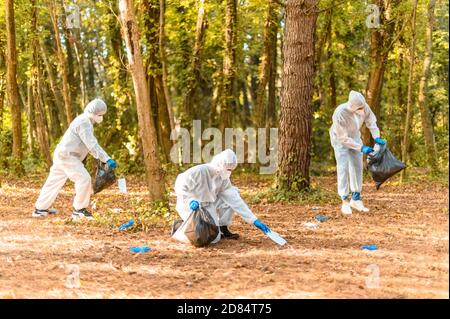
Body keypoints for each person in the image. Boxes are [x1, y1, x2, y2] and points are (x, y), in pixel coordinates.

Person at [32, 98, 117, 220]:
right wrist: (106, 159)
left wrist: (101, 157)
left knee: (54, 181)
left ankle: (40, 209)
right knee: (84, 178)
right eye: (100, 115)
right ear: (95, 113)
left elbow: (88, 145)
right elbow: (92, 144)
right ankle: (79, 210)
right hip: (68, 157)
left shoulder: (84, 121)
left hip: (62, 154)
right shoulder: (84, 123)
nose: (101, 117)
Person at [172, 149, 270, 241]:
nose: (229, 172)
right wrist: (190, 200)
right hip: (189, 206)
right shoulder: (200, 171)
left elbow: (234, 200)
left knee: (214, 238)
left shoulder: (223, 178)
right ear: (220, 164)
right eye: (228, 169)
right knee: (200, 237)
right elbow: (180, 184)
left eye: (231, 170)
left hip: (207, 205)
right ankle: (179, 227)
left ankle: (222, 228)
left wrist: (254, 220)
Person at [329, 90, 386, 215]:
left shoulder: (364, 106)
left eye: (363, 107)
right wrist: (361, 147)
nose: (362, 109)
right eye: (359, 108)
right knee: (343, 167)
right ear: (352, 106)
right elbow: (343, 138)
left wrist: (376, 136)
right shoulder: (340, 112)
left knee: (357, 166)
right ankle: (344, 200)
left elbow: (371, 121)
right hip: (339, 140)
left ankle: (356, 198)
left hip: (355, 137)